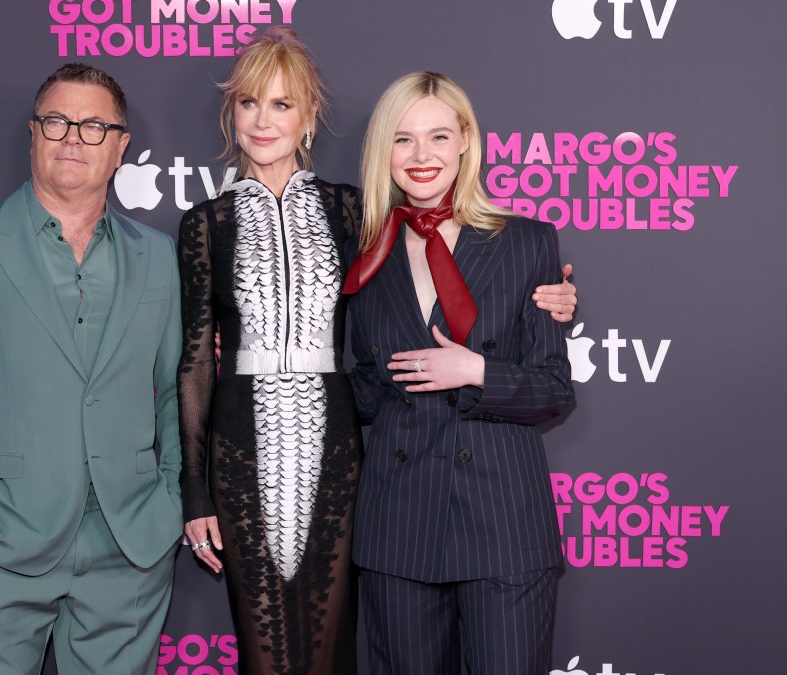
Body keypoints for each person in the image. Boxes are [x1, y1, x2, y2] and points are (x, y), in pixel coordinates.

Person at [177, 30, 577, 674]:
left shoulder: (363, 219)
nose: (263, 119)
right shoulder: (338, 232)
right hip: (338, 490)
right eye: (249, 103)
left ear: (309, 118)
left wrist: (543, 311)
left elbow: (549, 378)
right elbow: (207, 362)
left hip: (444, 499)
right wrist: (195, 486)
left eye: (282, 104)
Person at [0, 63, 182, 675]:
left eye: (93, 125)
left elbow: (178, 389)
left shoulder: (158, 258)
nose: (72, 137)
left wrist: (171, 498)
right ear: (34, 133)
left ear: (122, 146)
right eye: (57, 121)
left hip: (129, 547)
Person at [344, 71, 575, 675]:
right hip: (398, 527)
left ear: (467, 140)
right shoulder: (364, 253)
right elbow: (361, 393)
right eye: (403, 139)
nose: (422, 157)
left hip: (503, 525)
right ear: (382, 151)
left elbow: (553, 390)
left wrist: (476, 369)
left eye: (438, 136)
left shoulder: (527, 242)